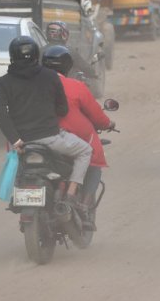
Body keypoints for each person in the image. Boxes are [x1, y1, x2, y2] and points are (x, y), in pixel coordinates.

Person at [0, 36, 92, 204]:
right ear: (35, 56)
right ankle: (71, 192)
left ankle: (18, 192)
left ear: (12, 56)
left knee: (21, 170)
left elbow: (0, 113)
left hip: (21, 144)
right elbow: (63, 109)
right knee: (85, 151)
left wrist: (15, 140)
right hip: (51, 139)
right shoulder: (50, 77)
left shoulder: (4, 82)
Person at [41, 45, 116, 230]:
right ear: (68, 67)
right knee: (93, 160)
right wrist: (108, 124)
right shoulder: (75, 86)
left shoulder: (31, 86)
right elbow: (96, 116)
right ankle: (82, 204)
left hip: (30, 138)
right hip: (63, 139)